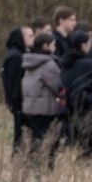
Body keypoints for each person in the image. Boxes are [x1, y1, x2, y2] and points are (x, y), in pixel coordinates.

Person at [62, 29, 92, 156]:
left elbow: (62, 88)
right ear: (83, 45)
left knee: (76, 146)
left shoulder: (65, 64)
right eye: (89, 43)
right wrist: (91, 96)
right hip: (89, 110)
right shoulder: (88, 63)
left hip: (69, 112)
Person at [21, 32, 61, 162]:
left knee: (34, 141)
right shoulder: (48, 65)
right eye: (53, 45)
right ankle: (46, 168)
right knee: (48, 141)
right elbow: (58, 87)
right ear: (46, 46)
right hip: (45, 110)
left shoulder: (29, 62)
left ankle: (32, 167)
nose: (55, 48)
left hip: (29, 108)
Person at [0, 25, 34, 152]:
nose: (33, 38)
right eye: (30, 36)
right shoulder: (15, 57)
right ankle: (19, 161)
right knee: (20, 136)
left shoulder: (18, 54)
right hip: (20, 103)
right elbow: (15, 83)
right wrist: (18, 104)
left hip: (22, 103)